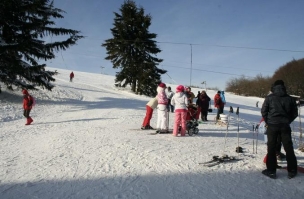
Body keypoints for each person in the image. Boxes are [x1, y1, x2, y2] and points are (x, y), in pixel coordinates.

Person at [261, 80, 298, 179]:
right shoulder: (289, 98)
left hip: (272, 126)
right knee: (288, 147)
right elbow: (295, 113)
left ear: (274, 87)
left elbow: (264, 111)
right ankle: (292, 170)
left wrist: (269, 122)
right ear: (283, 86)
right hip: (285, 126)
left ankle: (271, 170)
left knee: (271, 147)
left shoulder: (269, 98)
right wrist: (287, 121)